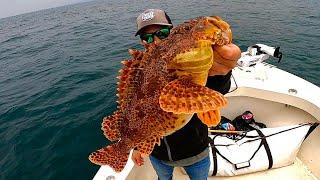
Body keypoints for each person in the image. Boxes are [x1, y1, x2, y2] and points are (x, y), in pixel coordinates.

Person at [132, 9, 241, 180]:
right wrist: (138, 147)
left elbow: (216, 89)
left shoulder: (189, 62)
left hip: (195, 153)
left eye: (162, 33)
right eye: (147, 37)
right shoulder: (140, 73)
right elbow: (137, 116)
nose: (156, 41)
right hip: (158, 155)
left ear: (173, 31)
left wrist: (222, 71)